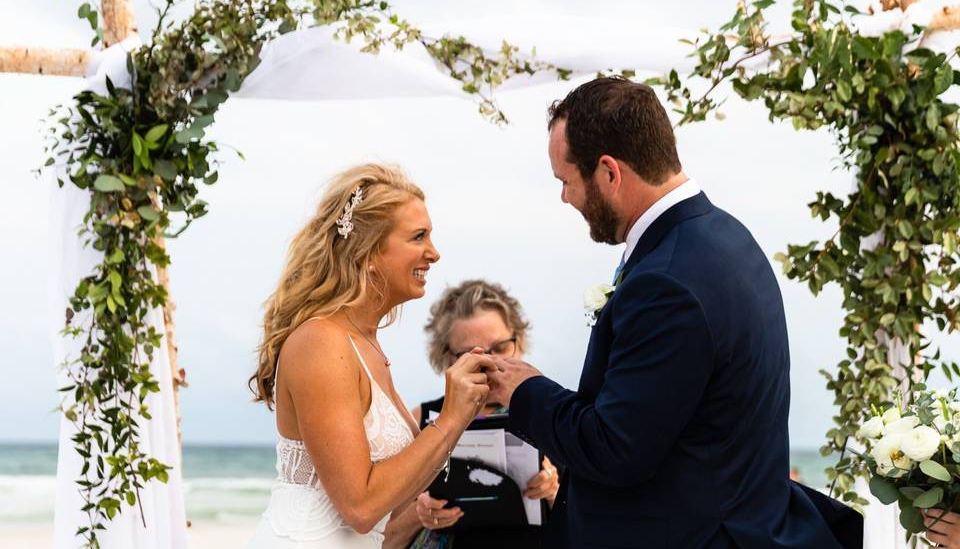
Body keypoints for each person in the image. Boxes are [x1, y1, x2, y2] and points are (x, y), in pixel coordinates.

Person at [485, 77, 863, 548]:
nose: (566, 198)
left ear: (608, 172)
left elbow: (616, 448)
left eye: (567, 181)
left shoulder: (666, 280)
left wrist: (527, 391)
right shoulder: (726, 237)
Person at [247, 164, 496, 548]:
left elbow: (383, 502)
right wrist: (451, 416)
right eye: (418, 237)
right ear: (369, 251)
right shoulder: (321, 342)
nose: (434, 253)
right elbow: (360, 506)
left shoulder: (365, 346)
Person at [383, 280, 560, 549]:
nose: (489, 363)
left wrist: (552, 492)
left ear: (519, 342)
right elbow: (379, 540)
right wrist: (419, 514)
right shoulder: (417, 421)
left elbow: (590, 524)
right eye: (471, 354)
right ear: (446, 358)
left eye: (500, 347)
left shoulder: (550, 414)